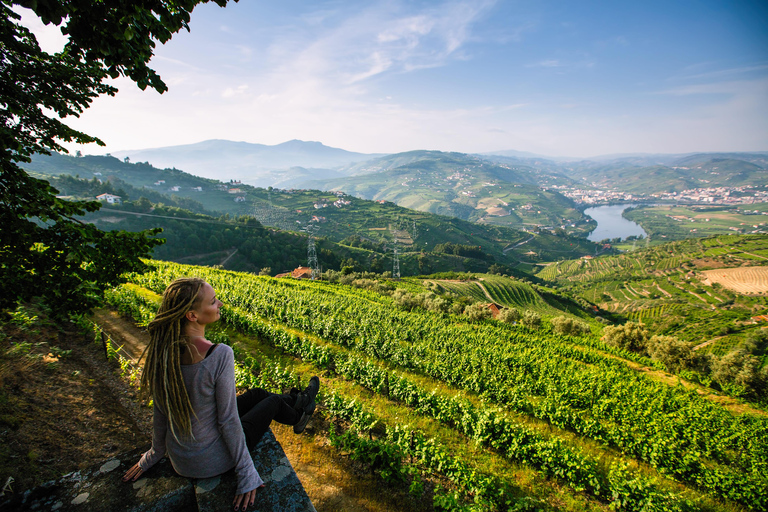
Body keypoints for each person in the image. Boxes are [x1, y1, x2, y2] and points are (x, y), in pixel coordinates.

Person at [121, 278, 319, 512]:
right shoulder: (218, 354)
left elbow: (161, 410)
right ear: (192, 315)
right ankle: (298, 416)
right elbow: (227, 420)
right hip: (213, 459)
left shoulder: (163, 350)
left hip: (182, 460)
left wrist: (155, 453)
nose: (220, 304)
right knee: (272, 401)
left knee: (256, 394)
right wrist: (246, 472)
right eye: (213, 301)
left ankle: (301, 402)